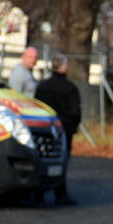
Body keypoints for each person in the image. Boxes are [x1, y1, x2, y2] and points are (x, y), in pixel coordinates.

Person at [34, 55, 81, 205]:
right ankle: (60, 193)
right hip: (64, 130)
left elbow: (36, 106)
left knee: (41, 158)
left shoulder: (42, 86)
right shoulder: (69, 88)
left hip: (43, 128)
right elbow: (75, 112)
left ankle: (38, 192)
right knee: (62, 161)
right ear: (64, 67)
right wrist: (71, 125)